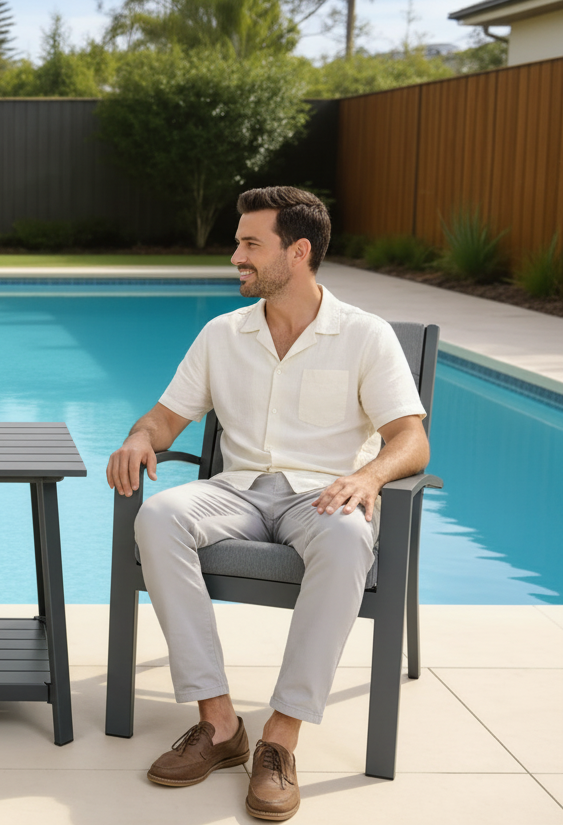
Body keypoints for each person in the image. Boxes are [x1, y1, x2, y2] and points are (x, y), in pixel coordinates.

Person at [105, 187, 428, 821]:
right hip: (238, 490)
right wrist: (140, 436)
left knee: (346, 537)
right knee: (160, 515)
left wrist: (370, 478)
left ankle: (280, 738)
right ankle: (220, 725)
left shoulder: (365, 335)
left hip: (325, 496)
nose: (236, 257)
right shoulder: (221, 333)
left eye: (251, 244)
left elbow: (410, 439)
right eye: (238, 243)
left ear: (298, 252)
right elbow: (167, 418)